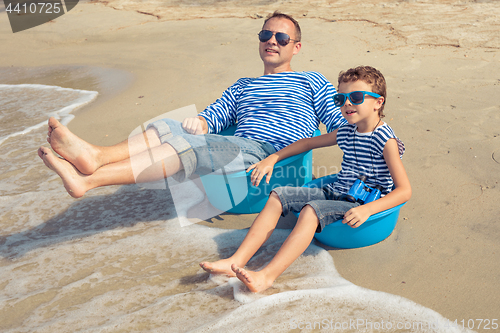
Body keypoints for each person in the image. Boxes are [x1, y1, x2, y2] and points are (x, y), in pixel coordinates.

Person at [37, 11, 345, 198]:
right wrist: (201, 122)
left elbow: (340, 126)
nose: (273, 41)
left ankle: (88, 181)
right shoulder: (243, 85)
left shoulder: (311, 81)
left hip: (268, 153)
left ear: (297, 47)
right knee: (170, 126)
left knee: (187, 145)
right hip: (235, 142)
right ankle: (96, 156)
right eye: (266, 34)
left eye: (282, 37)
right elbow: (216, 114)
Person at [200, 66, 412, 293]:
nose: (347, 103)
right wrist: (273, 157)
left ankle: (266, 277)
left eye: (356, 97)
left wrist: (368, 210)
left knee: (311, 210)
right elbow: (308, 143)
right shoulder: (347, 131)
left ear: (378, 102)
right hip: (337, 190)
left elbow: (403, 191)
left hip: (361, 202)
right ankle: (236, 262)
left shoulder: (385, 139)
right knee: (278, 195)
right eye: (341, 98)